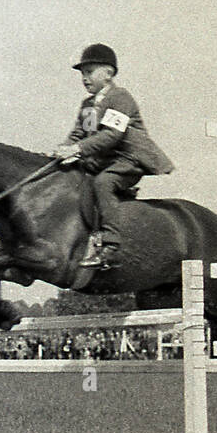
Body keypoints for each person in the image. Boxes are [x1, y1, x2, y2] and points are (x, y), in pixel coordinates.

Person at [54, 44, 175, 270]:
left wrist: (76, 149)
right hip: (105, 160)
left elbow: (112, 135)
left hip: (130, 159)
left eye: (89, 72)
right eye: (82, 73)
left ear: (108, 74)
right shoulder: (88, 105)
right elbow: (79, 133)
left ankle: (110, 245)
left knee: (103, 182)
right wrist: (62, 148)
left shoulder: (120, 97)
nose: (84, 78)